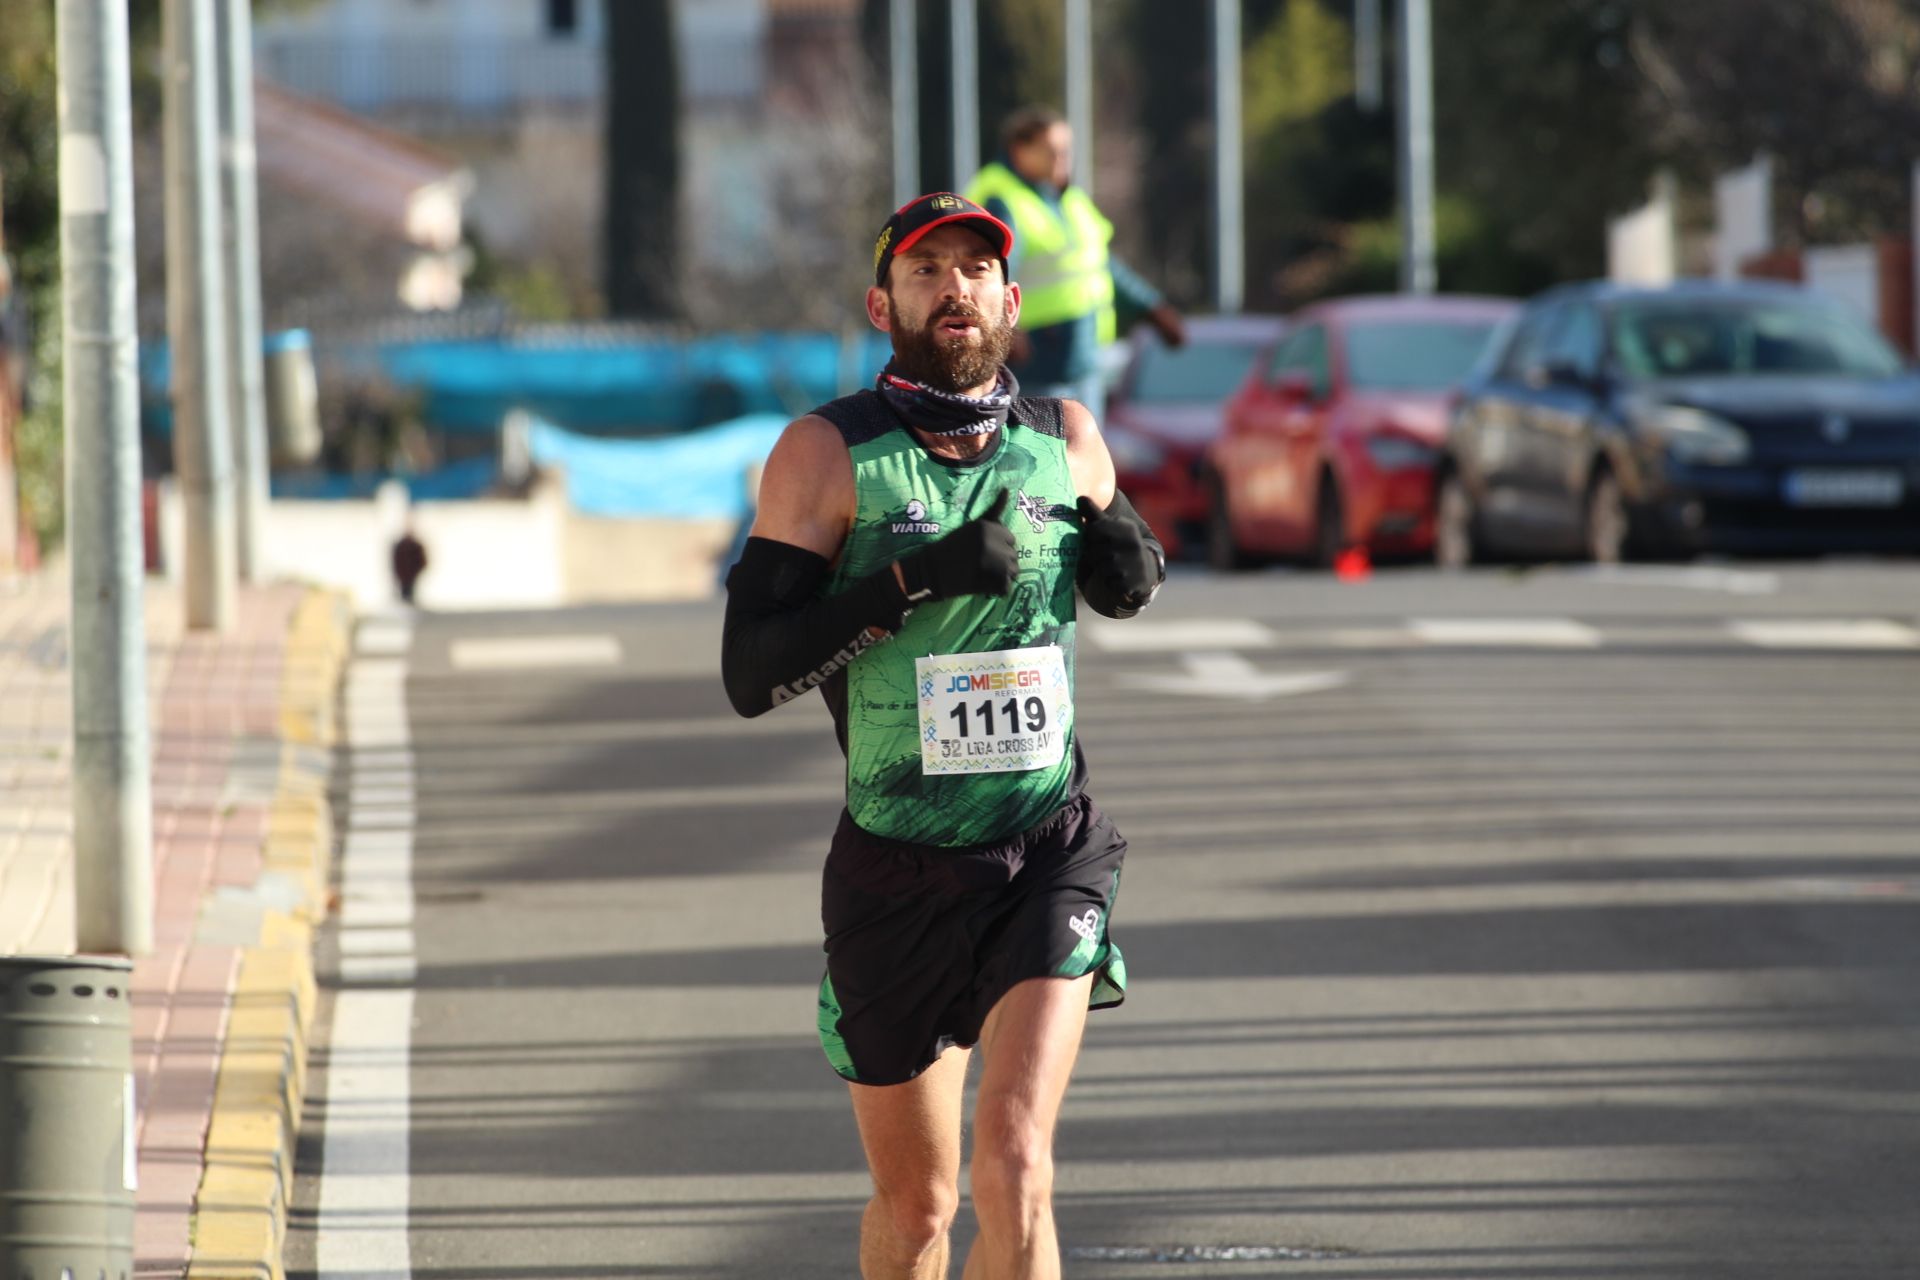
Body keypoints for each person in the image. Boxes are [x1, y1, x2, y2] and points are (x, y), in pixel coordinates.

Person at [720, 192, 1166, 1279]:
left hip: (1045, 847)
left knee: (1015, 1160)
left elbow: (1126, 565)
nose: (953, 286)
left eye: (974, 269)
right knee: (920, 1203)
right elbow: (751, 673)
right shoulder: (827, 454)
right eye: (927, 271)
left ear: (1011, 301)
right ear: (885, 303)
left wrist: (1127, 556)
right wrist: (912, 579)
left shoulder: (1062, 435)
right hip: (897, 866)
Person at [965, 105, 1185, 416]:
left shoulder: (1065, 199)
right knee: (1043, 455)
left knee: (1084, 455)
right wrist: (1002, 328)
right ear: (1019, 150)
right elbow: (986, 271)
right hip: (1036, 366)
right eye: (1051, 150)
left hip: (1082, 362)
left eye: (1066, 150)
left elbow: (1098, 264)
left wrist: (1151, 307)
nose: (1062, 158)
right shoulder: (1002, 200)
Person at [390, 525, 428, 604]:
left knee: (410, 593)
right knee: (405, 594)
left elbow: (422, 560)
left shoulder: (415, 546)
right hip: (404, 575)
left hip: (411, 575)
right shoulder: (401, 546)